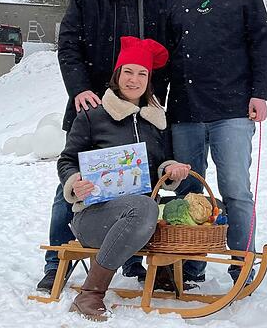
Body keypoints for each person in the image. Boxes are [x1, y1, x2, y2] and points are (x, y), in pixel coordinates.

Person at [39, 0, 167, 292]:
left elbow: (162, 56)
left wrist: (153, 100)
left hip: (136, 107)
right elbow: (68, 47)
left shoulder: (154, 2)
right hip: (92, 105)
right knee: (75, 183)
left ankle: (130, 258)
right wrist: (80, 89)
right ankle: (57, 261)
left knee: (136, 181)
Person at [164, 0, 267, 284]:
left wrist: (260, 93)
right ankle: (189, 263)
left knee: (235, 190)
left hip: (232, 109)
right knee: (186, 190)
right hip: (184, 111)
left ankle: (240, 264)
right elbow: (164, 54)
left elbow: (260, 43)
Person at [57, 36, 191, 321]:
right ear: (117, 75)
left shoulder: (155, 120)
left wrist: (171, 170)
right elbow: (66, 160)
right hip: (92, 217)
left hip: (140, 214)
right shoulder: (93, 115)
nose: (135, 79)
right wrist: (74, 183)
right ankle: (90, 294)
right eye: (128, 72)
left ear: (149, 78)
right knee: (144, 208)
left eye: (142, 73)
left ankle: (163, 273)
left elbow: (160, 164)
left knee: (196, 205)